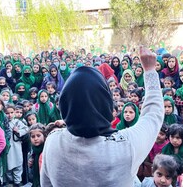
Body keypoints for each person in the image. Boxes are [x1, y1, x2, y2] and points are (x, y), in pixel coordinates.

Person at [40, 46, 164, 186]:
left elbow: (46, 184)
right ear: (106, 103)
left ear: (64, 103)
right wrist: (150, 71)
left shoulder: (53, 142)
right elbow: (153, 115)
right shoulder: (125, 147)